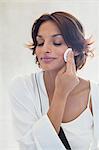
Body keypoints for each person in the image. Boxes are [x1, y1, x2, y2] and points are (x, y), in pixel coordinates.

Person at [9, 11, 99, 150]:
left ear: (75, 49)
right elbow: (30, 147)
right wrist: (61, 94)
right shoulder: (22, 87)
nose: (45, 49)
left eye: (57, 43)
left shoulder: (94, 94)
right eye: (40, 43)